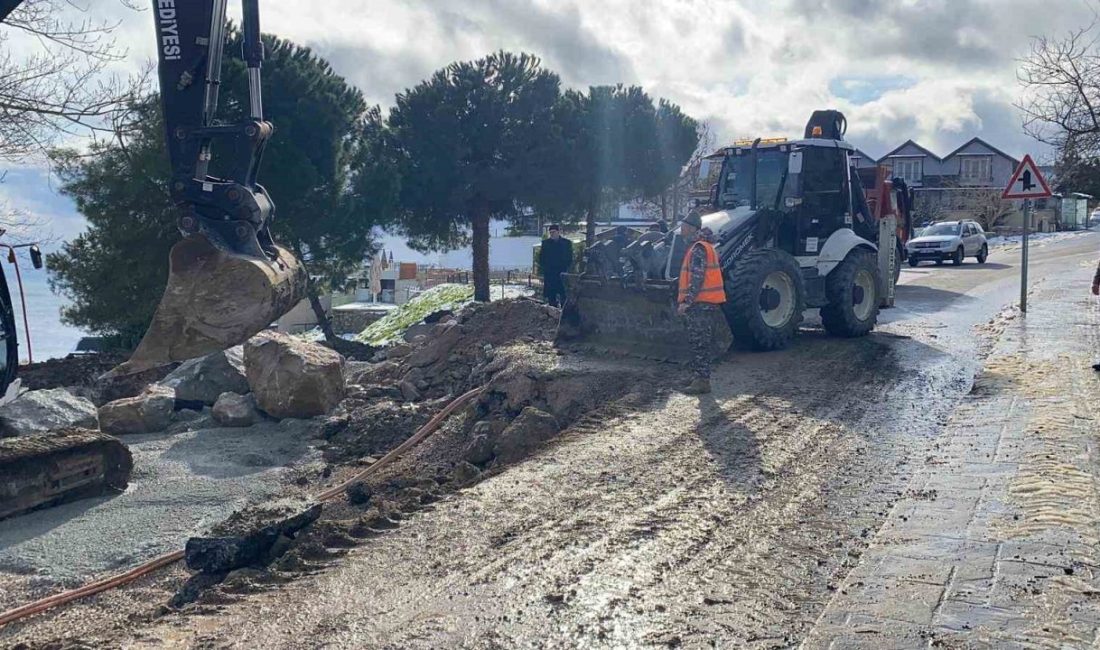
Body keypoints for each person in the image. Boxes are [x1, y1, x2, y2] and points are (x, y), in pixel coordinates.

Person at [676, 214, 726, 394]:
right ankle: (698, 376)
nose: (681, 230)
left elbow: (697, 277)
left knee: (700, 343)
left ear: (691, 228)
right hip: (704, 303)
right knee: (698, 342)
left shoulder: (698, 248)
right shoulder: (704, 246)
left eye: (683, 226)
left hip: (701, 304)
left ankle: (702, 380)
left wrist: (687, 301)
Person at [540, 224, 572, 307]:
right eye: (550, 232)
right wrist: (545, 269)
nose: (552, 234)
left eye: (553, 232)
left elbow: (570, 258)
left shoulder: (566, 243)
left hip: (562, 273)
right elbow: (542, 258)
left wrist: (566, 268)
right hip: (550, 274)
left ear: (558, 232)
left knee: (563, 295)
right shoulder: (546, 243)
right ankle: (553, 313)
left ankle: (564, 314)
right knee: (551, 296)